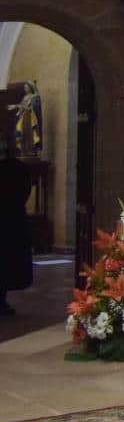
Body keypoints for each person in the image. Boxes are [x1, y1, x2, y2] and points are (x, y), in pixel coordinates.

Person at [0, 134, 32, 316]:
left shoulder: (17, 168)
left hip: (10, 222)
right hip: (11, 219)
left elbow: (24, 191)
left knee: (6, 265)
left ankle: (2, 301)